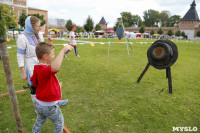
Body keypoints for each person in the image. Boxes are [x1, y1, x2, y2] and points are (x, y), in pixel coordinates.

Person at [17, 16, 67, 106]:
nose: (40, 28)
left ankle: (55, 101)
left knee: (49, 81)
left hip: (42, 63)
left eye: (40, 26)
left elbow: (42, 50)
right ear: (30, 26)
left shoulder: (39, 35)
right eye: (38, 26)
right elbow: (20, 55)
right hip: (31, 65)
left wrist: (48, 43)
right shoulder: (22, 38)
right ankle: (38, 106)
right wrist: (23, 72)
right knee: (34, 86)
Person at [31, 42, 73, 132]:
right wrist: (63, 51)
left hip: (38, 103)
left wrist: (57, 86)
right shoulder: (43, 69)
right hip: (48, 105)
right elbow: (54, 68)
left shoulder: (37, 68)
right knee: (59, 123)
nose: (54, 56)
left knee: (39, 121)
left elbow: (40, 84)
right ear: (45, 56)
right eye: (53, 54)